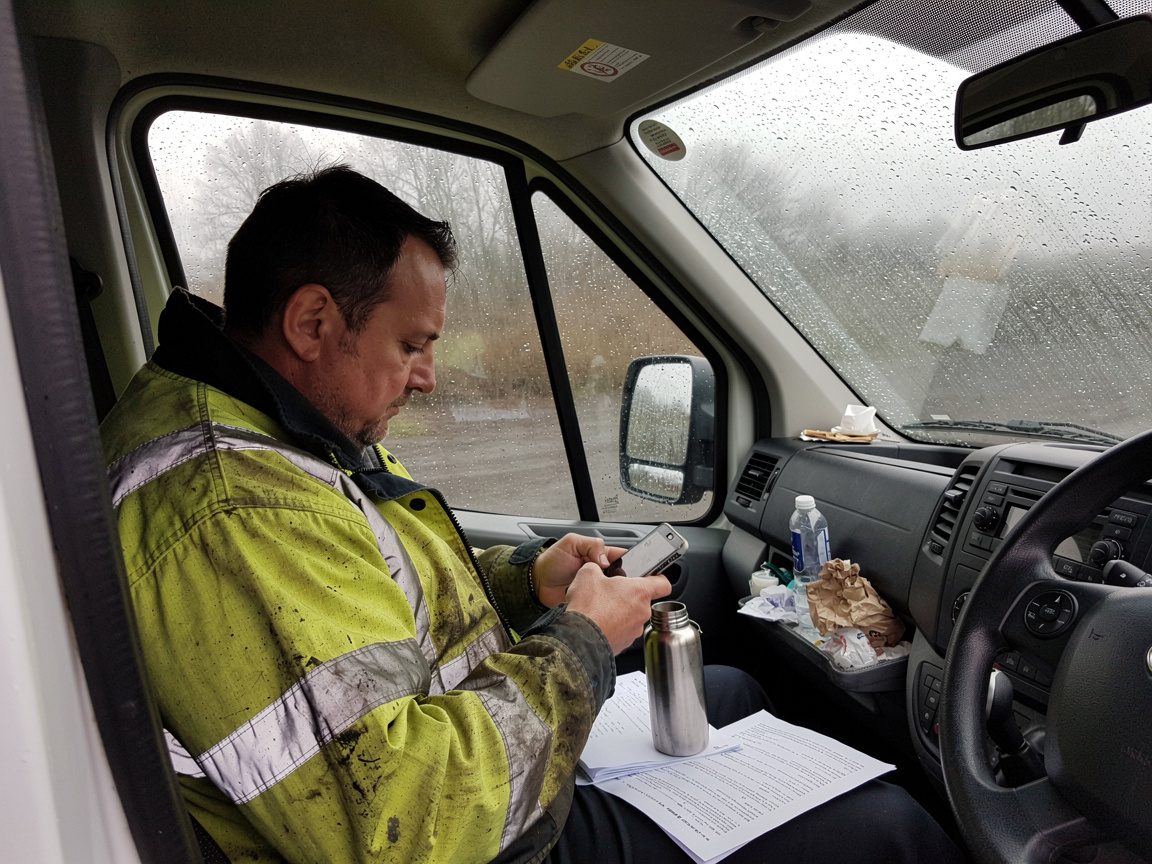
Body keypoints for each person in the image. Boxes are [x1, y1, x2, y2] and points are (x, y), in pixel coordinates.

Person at [103, 166, 964, 863]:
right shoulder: (232, 509)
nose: (428, 377)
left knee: (732, 689)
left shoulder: (285, 427)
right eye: (412, 345)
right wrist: (583, 641)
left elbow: (368, 606)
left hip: (481, 768)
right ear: (313, 321)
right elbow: (400, 825)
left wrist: (528, 586)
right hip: (485, 835)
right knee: (892, 830)